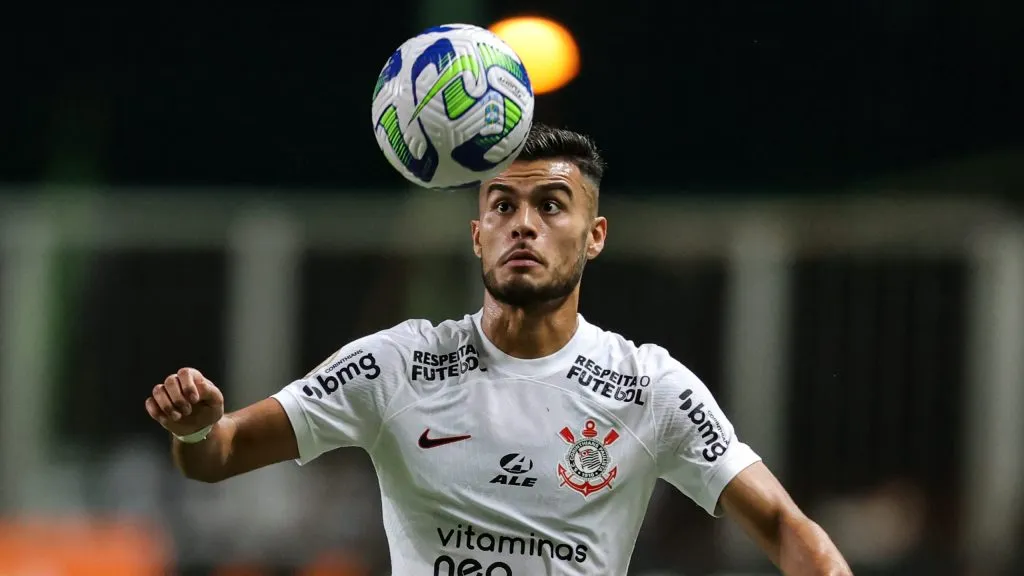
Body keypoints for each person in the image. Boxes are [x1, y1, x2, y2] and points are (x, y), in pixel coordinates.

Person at [145, 124, 852, 575]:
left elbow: (789, 528)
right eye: (502, 207)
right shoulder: (397, 366)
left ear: (595, 234)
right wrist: (197, 427)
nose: (524, 225)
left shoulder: (650, 388)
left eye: (550, 205)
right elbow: (220, 455)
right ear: (476, 232)